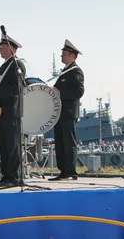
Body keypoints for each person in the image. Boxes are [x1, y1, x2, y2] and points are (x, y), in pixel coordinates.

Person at [0, 35, 26, 188]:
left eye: (2, 47)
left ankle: (15, 176)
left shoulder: (16, 65)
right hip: (2, 111)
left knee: (12, 144)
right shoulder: (6, 65)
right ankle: (7, 175)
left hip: (12, 111)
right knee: (5, 145)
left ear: (10, 48)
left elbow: (17, 88)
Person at [49, 39, 85, 181]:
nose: (61, 56)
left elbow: (79, 92)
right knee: (60, 142)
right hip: (60, 112)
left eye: (63, 53)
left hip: (68, 112)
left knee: (68, 142)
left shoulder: (76, 71)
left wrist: (59, 92)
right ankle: (63, 170)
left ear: (71, 55)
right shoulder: (66, 71)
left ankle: (70, 171)